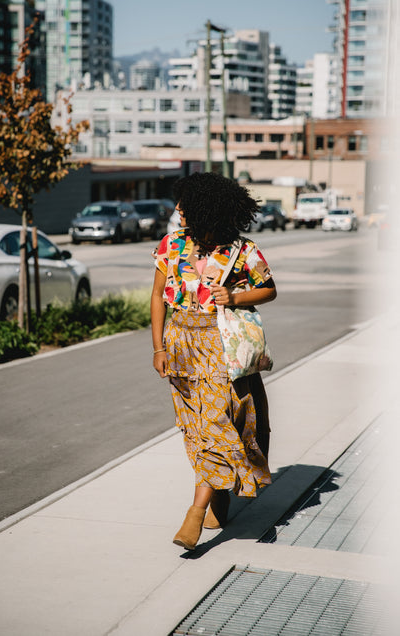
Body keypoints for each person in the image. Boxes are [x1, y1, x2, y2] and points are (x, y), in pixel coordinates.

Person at [150, 172, 277, 551]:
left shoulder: (242, 251)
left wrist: (234, 298)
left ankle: (194, 512)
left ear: (206, 210)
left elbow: (270, 289)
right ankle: (220, 494)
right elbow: (158, 296)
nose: (177, 210)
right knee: (196, 429)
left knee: (217, 423)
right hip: (182, 346)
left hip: (222, 346)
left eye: (185, 205)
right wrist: (158, 348)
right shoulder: (172, 246)